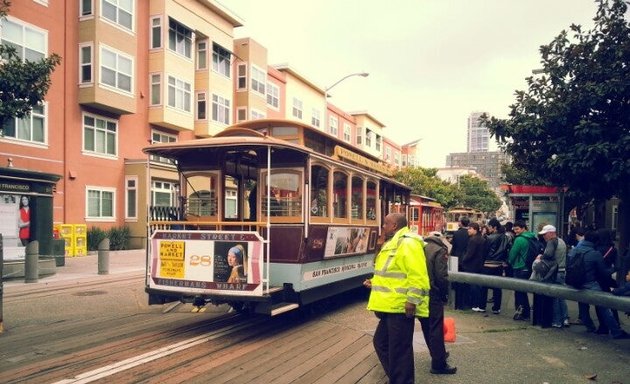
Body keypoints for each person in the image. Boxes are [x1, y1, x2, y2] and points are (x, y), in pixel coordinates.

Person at [364, 213, 430, 383]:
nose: (383, 227)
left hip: (400, 306)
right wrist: (374, 281)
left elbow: (418, 276)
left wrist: (412, 300)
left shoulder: (408, 243)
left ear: (394, 226)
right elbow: (393, 272)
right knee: (382, 343)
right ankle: (398, 378)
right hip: (390, 306)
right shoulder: (394, 243)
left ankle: (401, 380)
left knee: (399, 349)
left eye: (385, 223)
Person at [573, 231, 629, 339]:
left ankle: (601, 327)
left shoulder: (594, 249)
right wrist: (611, 270)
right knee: (609, 305)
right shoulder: (612, 249)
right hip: (606, 279)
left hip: (594, 279)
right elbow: (617, 266)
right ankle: (615, 327)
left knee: (596, 305)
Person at [419, 231, 457, 375]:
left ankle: (437, 354)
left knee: (426, 326)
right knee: (436, 328)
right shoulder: (440, 250)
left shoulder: (421, 247)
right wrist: (444, 294)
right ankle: (439, 364)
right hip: (433, 293)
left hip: (420, 292)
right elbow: (441, 276)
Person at [475, 218, 510, 314]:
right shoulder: (505, 237)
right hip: (499, 264)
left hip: (488, 264)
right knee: (497, 287)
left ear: (494, 227)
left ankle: (482, 306)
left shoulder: (489, 238)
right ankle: (496, 308)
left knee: (484, 286)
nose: (489, 228)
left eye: (490, 227)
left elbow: (484, 251)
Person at [530, 225, 561, 328]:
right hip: (560, 271)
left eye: (545, 234)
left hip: (552, 273)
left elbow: (548, 255)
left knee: (552, 299)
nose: (544, 236)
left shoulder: (551, 242)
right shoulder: (561, 241)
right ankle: (561, 319)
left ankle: (555, 321)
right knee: (560, 298)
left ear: (551, 233)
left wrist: (540, 257)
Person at [508, 220, 536, 321]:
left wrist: (509, 262)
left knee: (519, 292)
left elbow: (512, 254)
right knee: (523, 291)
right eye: (514, 229)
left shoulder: (519, 239)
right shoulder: (532, 237)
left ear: (523, 228)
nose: (516, 231)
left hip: (519, 267)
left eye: (517, 229)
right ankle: (526, 312)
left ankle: (522, 312)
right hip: (528, 267)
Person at [462, 222, 486, 313]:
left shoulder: (473, 240)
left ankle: (474, 304)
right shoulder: (483, 239)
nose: (468, 230)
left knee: (473, 285)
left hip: (471, 265)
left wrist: (463, 260)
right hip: (480, 265)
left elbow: (469, 254)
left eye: (470, 229)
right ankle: (480, 305)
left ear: (474, 229)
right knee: (479, 285)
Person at [450, 216, 471, 309]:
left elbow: (453, 246)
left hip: (457, 260)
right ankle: (466, 303)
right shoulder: (470, 233)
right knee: (466, 282)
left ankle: (457, 303)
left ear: (461, 223)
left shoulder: (457, 233)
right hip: (467, 260)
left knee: (457, 282)